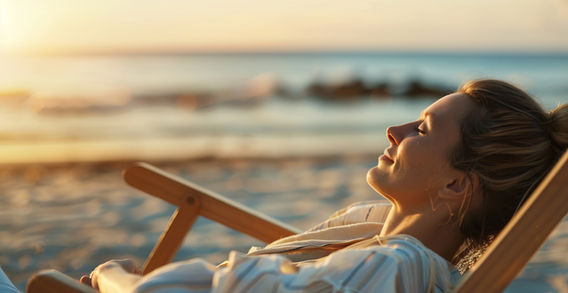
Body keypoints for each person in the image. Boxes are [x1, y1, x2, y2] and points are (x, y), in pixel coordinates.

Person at [80, 79, 568, 292]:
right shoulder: (379, 235)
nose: (393, 131)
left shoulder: (388, 268)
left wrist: (114, 276)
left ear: (457, 186)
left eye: (421, 129)